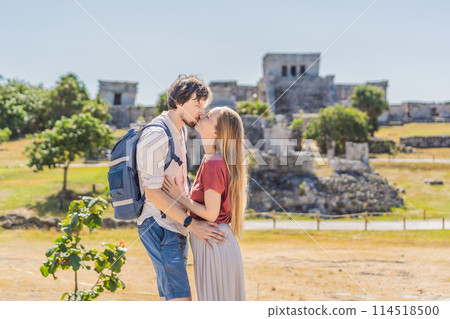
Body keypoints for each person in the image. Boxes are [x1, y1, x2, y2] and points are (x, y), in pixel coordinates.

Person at [136, 75, 227, 301]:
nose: (201, 111)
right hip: (159, 225)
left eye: (204, 105)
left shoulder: (180, 131)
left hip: (174, 225)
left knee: (174, 299)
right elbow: (153, 192)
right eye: (197, 103)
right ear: (178, 102)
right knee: (181, 301)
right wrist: (191, 223)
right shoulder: (156, 135)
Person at [162, 106, 248, 301]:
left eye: (208, 116)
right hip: (214, 241)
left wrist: (179, 196)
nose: (202, 114)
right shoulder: (211, 160)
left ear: (215, 133)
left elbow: (210, 213)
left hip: (214, 242)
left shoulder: (213, 163)